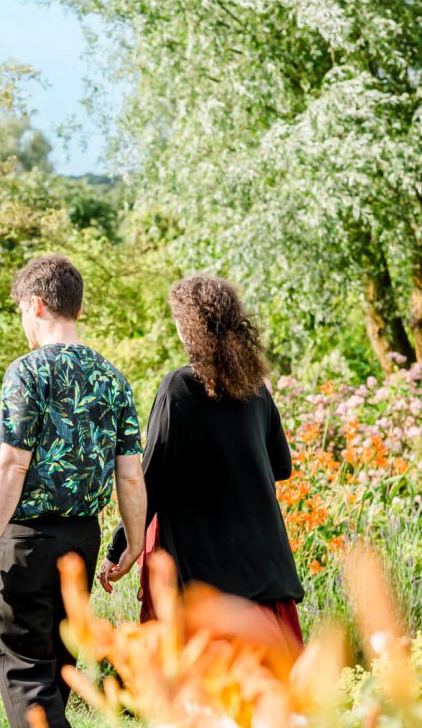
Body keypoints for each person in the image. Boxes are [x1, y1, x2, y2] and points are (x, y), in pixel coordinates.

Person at [0, 254, 146, 728]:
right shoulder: (112, 378)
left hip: (26, 540)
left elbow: (11, 466)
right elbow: (131, 476)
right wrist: (133, 542)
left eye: (22, 309)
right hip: (81, 542)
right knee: (52, 667)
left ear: (36, 304)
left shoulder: (27, 372)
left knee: (24, 673)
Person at [99, 273, 304, 644]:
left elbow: (151, 479)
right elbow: (282, 466)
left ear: (189, 327)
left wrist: (120, 548)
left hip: (204, 576)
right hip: (264, 568)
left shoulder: (179, 387)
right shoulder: (255, 388)